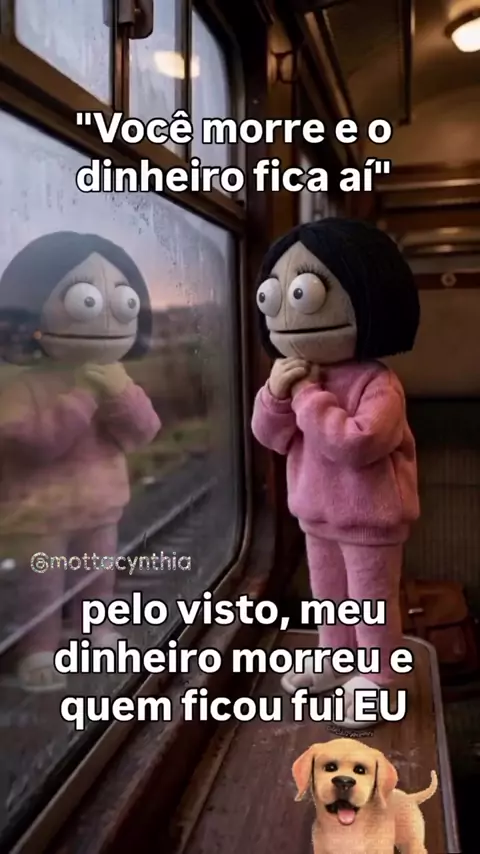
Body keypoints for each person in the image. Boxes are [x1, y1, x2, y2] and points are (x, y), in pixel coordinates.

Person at [251, 218, 420, 728]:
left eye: (303, 295)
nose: (285, 313)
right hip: (316, 513)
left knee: (370, 601)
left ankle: (379, 679)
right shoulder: (300, 375)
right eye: (272, 297)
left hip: (372, 518)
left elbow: (356, 444)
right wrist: (274, 395)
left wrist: (305, 395)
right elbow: (270, 436)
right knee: (329, 598)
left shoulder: (377, 383)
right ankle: (336, 657)